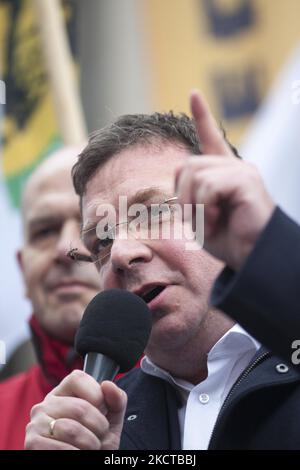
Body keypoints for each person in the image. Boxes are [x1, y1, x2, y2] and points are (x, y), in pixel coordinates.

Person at [25, 93, 300, 450]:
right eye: (102, 240)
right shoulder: (105, 426)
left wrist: (267, 247)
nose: (121, 252)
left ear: (229, 208)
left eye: (152, 213)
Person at [0, 148, 101, 450]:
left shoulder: (189, 389)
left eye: (90, 227)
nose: (65, 249)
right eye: (45, 231)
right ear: (22, 268)